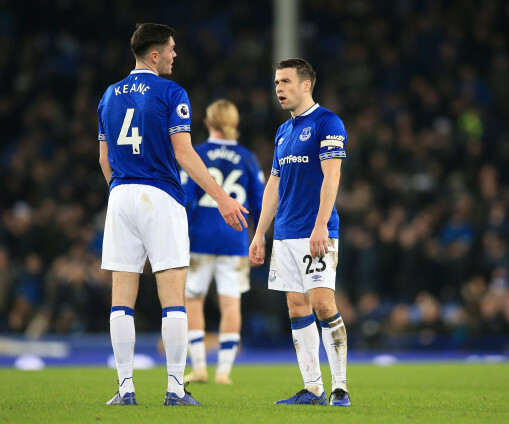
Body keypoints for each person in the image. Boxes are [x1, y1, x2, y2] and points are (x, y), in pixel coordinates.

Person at [97, 23, 248, 406]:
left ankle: (125, 388)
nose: (175, 55)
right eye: (171, 49)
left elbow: (103, 160)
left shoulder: (109, 96)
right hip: (160, 196)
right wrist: (224, 198)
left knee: (121, 298)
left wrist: (122, 191)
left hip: (120, 195)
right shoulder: (171, 92)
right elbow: (183, 153)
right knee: (173, 298)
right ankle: (176, 388)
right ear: (154, 54)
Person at [249, 58, 352, 406]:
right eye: (277, 82)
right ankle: (313, 388)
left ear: (306, 85)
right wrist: (260, 233)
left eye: (286, 82)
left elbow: (332, 176)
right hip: (285, 234)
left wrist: (321, 224)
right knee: (296, 307)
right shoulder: (283, 131)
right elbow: (273, 187)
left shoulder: (328, 122)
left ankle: (340, 388)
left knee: (323, 305)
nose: (279, 88)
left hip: (315, 231)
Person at [180, 99, 264, 385]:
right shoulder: (248, 157)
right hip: (235, 239)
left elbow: (186, 199)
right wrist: (258, 237)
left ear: (208, 122)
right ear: (235, 124)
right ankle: (224, 371)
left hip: (198, 239)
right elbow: (260, 202)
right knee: (231, 305)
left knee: (193, 301)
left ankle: (200, 367)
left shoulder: (196, 154)